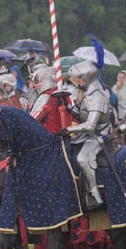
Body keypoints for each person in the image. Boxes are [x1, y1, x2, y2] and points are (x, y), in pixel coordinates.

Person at [64, 59, 112, 209]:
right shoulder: (86, 94)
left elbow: (91, 125)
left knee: (82, 158)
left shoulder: (97, 96)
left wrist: (68, 130)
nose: (76, 83)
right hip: (87, 134)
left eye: (78, 79)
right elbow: (82, 115)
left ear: (86, 78)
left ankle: (94, 194)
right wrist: (66, 106)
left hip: (100, 135)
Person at [28, 66, 70, 134]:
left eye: (39, 82)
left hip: (51, 136)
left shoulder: (46, 96)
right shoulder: (65, 94)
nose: (35, 86)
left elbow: (32, 119)